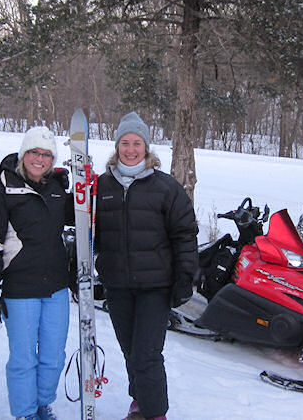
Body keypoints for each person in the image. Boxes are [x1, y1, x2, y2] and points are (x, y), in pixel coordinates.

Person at [95, 112, 198, 420]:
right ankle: (139, 401)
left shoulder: (165, 187)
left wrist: (185, 278)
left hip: (156, 285)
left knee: (147, 353)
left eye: (136, 143)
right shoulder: (101, 185)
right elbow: (86, 227)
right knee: (130, 351)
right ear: (117, 147)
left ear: (146, 147)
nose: (130, 149)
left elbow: (185, 233)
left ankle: (155, 414)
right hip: (118, 285)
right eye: (125, 143)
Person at [0, 126, 74, 420]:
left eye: (46, 154)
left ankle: (43, 404)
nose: (39, 159)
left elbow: (82, 217)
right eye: (34, 152)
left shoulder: (58, 190)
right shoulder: (3, 190)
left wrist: (88, 185)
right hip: (20, 289)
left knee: (53, 356)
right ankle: (25, 412)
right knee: (23, 359)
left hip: (56, 287)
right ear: (23, 154)